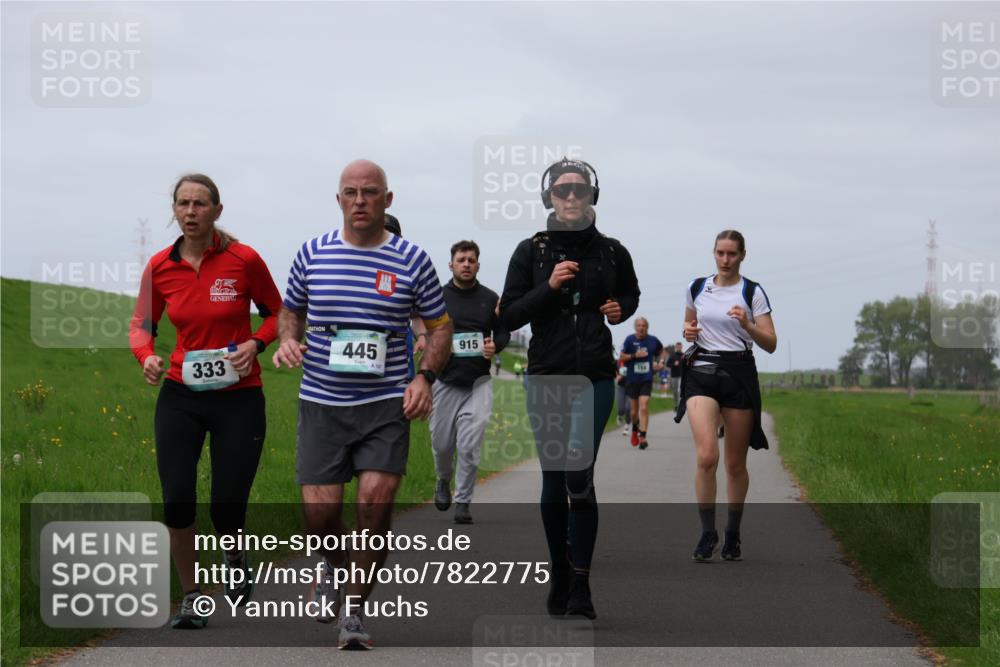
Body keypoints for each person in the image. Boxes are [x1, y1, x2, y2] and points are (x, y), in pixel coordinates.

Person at [272, 159, 452, 649]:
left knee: (374, 506)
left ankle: (352, 614)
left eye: (370, 192)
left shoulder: (412, 260)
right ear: (338, 199)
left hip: (385, 403)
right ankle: (334, 566)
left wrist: (424, 377)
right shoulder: (312, 253)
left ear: (387, 200)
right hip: (322, 402)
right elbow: (290, 310)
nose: (359, 201)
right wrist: (287, 339)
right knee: (320, 519)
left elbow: (440, 327)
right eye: (350, 192)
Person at [128, 173, 282, 629]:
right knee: (177, 499)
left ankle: (234, 556)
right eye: (183, 203)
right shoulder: (160, 266)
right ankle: (192, 598)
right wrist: (146, 356)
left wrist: (255, 343)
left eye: (199, 204)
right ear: (174, 210)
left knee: (226, 505)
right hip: (181, 395)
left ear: (217, 210)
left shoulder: (243, 259)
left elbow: (278, 314)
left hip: (239, 397)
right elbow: (141, 324)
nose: (191, 211)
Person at [500, 157, 640, 619]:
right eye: (563, 190)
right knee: (554, 477)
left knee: (579, 475)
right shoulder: (531, 251)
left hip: (595, 374)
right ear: (550, 198)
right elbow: (510, 314)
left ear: (592, 196)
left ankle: (581, 581)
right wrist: (550, 287)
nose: (572, 197)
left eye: (580, 189)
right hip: (547, 373)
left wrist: (620, 309)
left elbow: (630, 293)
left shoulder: (613, 251)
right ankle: (559, 570)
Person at [674, 229, 777, 562]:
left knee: (734, 464)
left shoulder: (752, 291)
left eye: (732, 254)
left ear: (742, 255)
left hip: (738, 373)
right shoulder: (696, 287)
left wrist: (748, 324)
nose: (725, 259)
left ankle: (732, 532)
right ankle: (708, 533)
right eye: (720, 253)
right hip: (701, 372)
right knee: (707, 456)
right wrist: (688, 331)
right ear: (714, 253)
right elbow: (689, 329)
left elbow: (771, 343)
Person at [430, 240, 510, 524]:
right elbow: (423, 329)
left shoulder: (490, 298)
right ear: (451, 265)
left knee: (469, 445)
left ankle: (463, 501)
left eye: (471, 260)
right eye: (461, 260)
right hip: (445, 381)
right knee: (442, 445)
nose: (466, 264)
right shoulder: (438, 297)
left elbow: (503, 332)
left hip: (478, 383)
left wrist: (495, 346)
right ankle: (443, 479)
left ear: (478, 265)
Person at [619, 317, 664, 450]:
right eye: (639, 325)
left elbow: (662, 351)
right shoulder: (629, 340)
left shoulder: (653, 340)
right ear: (635, 327)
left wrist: (660, 362)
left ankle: (643, 437)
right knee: (633, 412)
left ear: (647, 327)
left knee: (644, 407)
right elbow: (621, 356)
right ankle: (635, 429)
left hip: (646, 378)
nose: (641, 327)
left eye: (643, 325)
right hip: (632, 379)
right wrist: (634, 356)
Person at [667, 342, 684, 412]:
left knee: (679, 390)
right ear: (676, 347)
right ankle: (676, 404)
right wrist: (674, 364)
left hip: (682, 375)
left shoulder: (684, 355)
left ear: (681, 347)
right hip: (674, 375)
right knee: (674, 391)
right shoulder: (672, 355)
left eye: (680, 347)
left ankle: (679, 405)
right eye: (677, 347)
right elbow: (667, 364)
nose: (679, 348)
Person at [614, 358, 629, 430]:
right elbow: (615, 373)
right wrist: (617, 377)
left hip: (631, 387)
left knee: (628, 407)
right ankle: (619, 416)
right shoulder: (618, 362)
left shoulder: (633, 360)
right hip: (621, 387)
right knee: (620, 409)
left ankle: (628, 423)